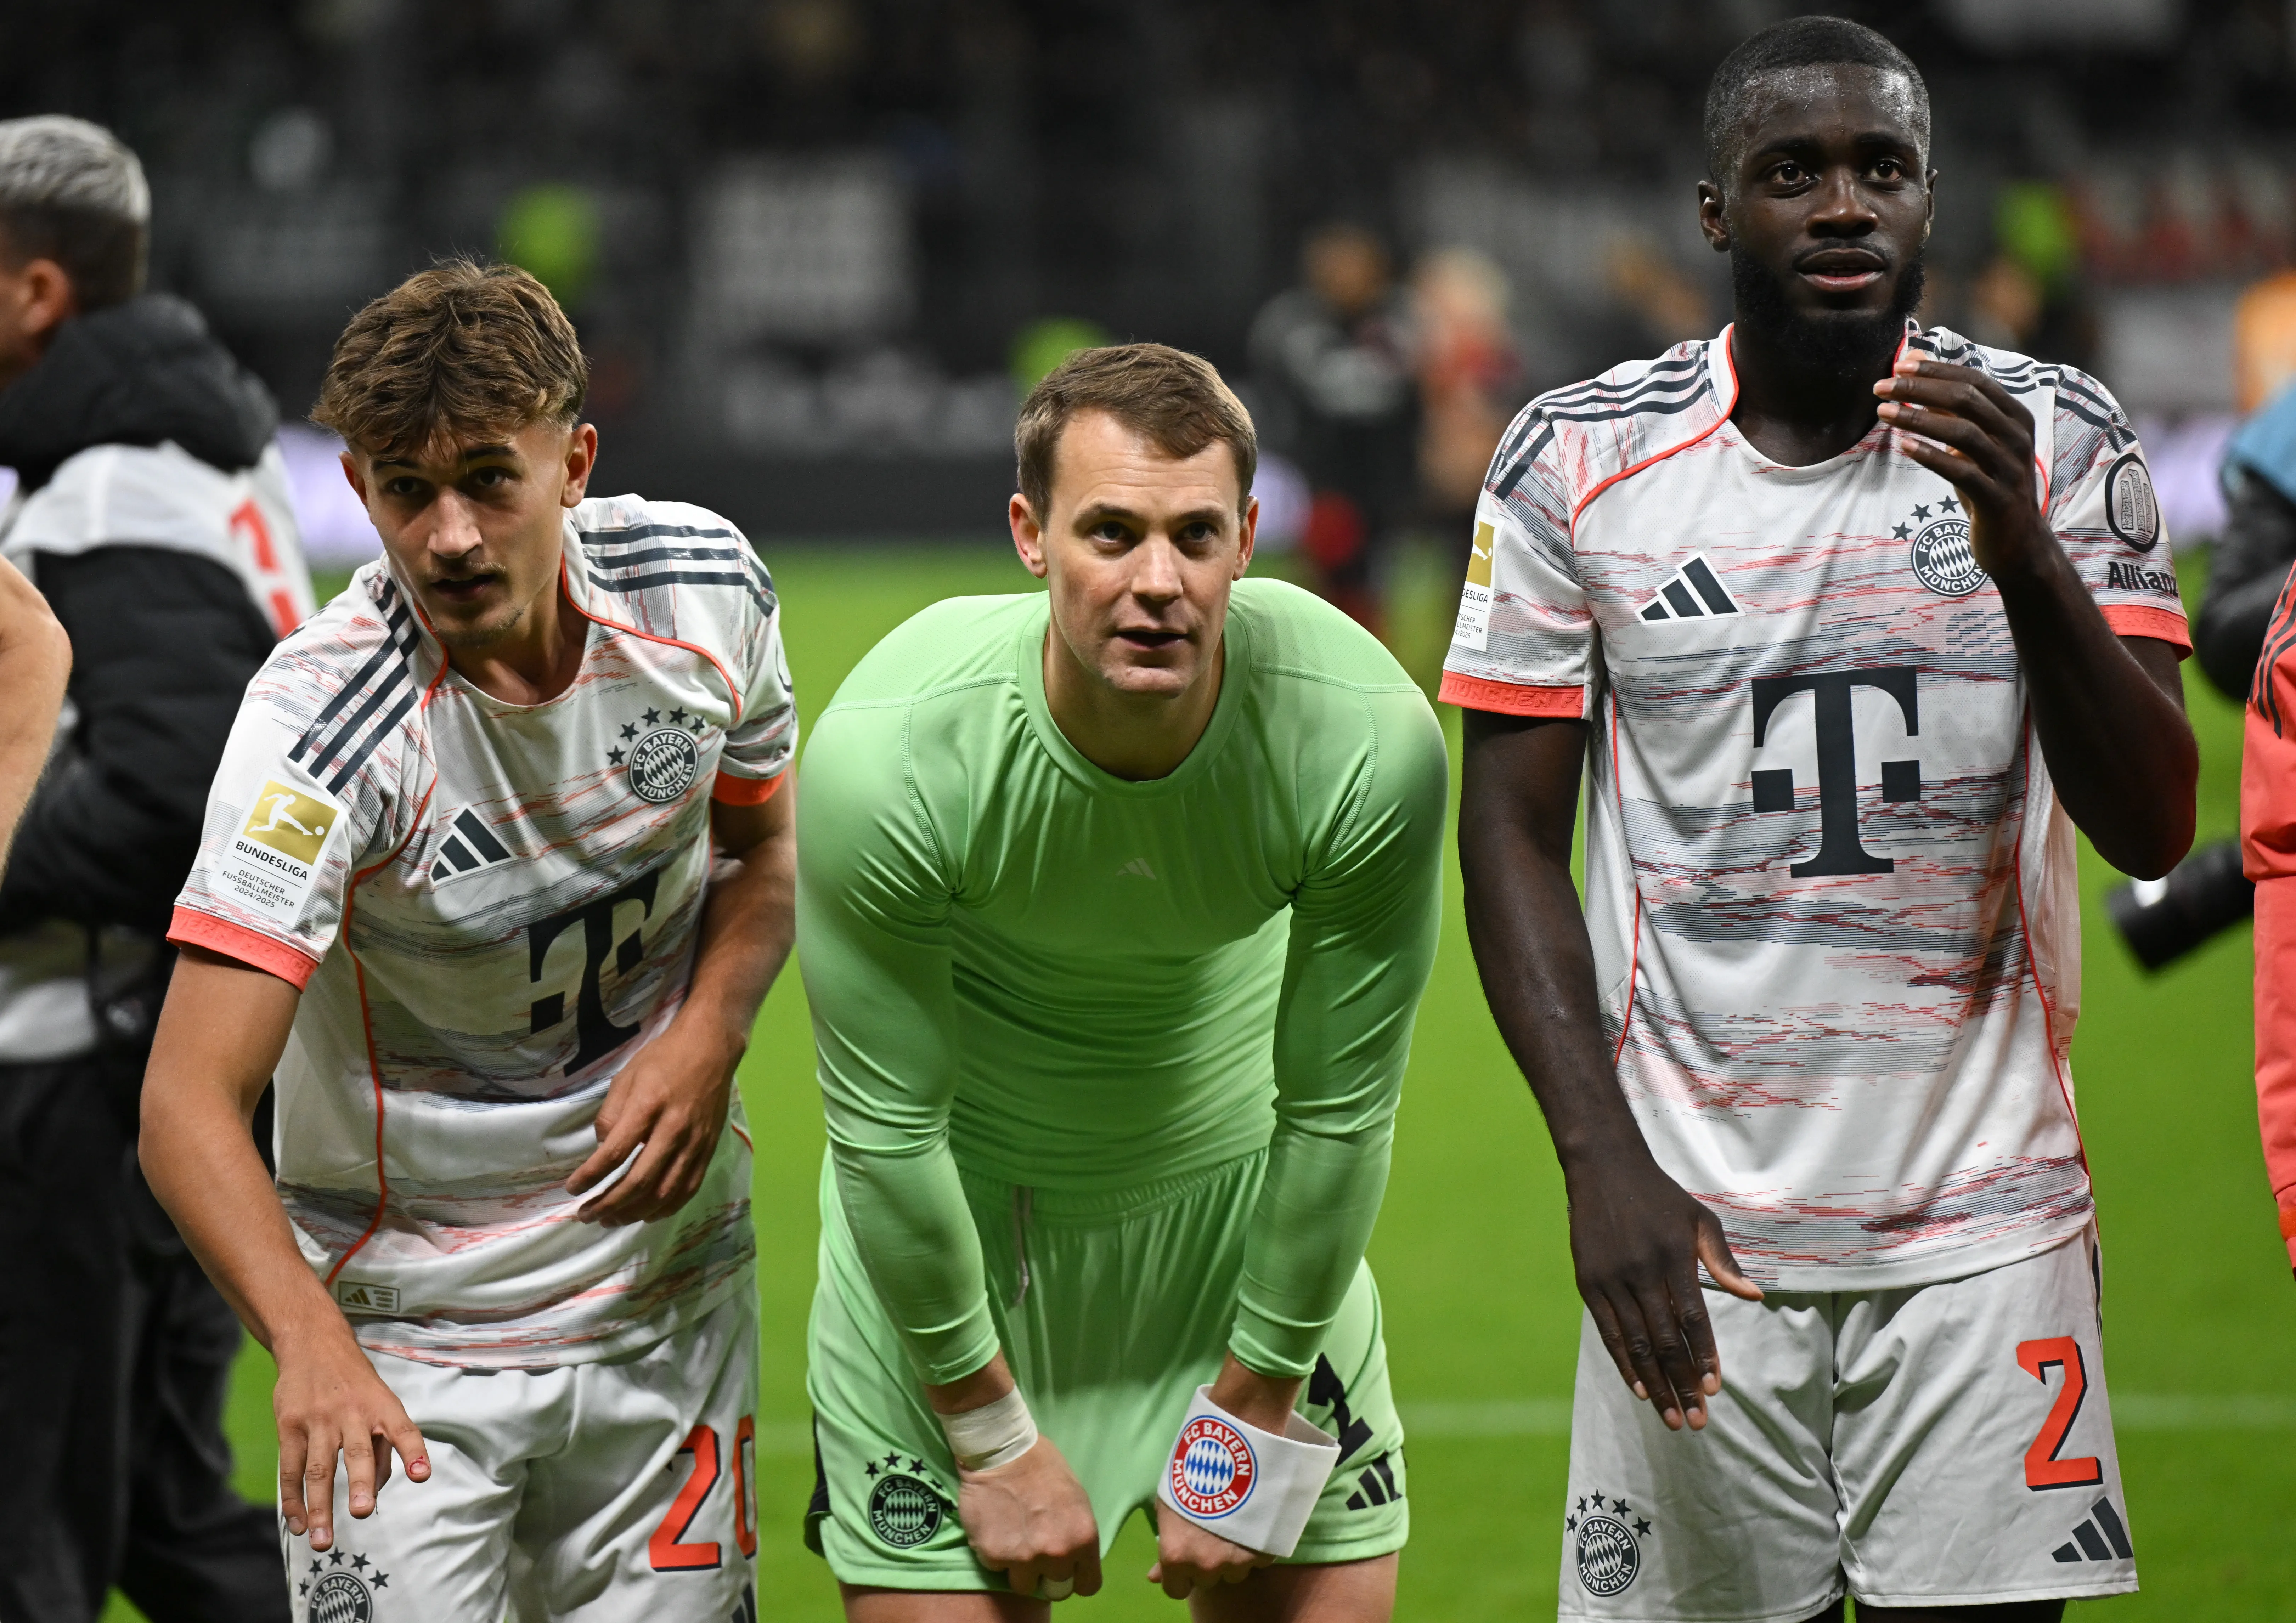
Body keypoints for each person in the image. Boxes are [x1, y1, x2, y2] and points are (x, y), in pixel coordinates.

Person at [1446, 19, 2196, 1622]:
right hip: (1689, 1232)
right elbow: (1503, 831)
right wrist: (1597, 1162)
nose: (1840, 204)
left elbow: (2147, 820)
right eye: (1790, 172)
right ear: (1713, 212)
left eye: (1880, 169)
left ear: (1929, 200)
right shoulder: (1575, 460)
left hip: (1988, 1233)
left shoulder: (2053, 440)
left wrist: (2022, 553)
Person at [137, 260, 799, 1621]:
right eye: (401, 488)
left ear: (577, 462)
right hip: (402, 1343)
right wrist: (310, 1344)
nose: (446, 534)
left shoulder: (703, 595)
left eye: (489, 478)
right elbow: (186, 1104)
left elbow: (764, 853)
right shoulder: (320, 732)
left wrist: (711, 1027)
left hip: (663, 1303)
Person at [796, 342, 1445, 1620]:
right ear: (1031, 536)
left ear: (1252, 536)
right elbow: (884, 1129)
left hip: (1246, 1248)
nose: (1159, 582)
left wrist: (1257, 1393)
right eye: (1112, 533)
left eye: (1196, 535)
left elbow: (1340, 1109)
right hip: (956, 1260)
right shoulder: (894, 756)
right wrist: (987, 1435)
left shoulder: (1363, 737)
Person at [0, 113, 313, 1623]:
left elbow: (170, 801)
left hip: (79, 1089)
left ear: (36, 296)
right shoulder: (188, 457)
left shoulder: (115, 489)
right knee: (158, 1517)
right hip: (154, 1076)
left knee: (33, 1542)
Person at [1248, 223, 1419, 633]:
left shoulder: (1398, 319)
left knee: (1385, 594)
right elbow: (1342, 390)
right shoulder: (1291, 323)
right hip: (1312, 484)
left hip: (1389, 486)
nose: (1346, 273)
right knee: (1317, 593)